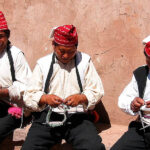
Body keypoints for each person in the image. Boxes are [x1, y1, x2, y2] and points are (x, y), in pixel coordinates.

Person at [22, 25, 105, 150]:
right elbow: (29, 95)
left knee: (94, 147)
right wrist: (45, 99)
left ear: (76, 47)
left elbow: (97, 90)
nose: (66, 56)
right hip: (48, 117)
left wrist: (81, 97)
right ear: (53, 45)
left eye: (71, 52)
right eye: (62, 51)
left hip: (77, 118)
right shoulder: (43, 64)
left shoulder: (85, 61)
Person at [111, 36, 150, 150]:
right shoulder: (141, 73)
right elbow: (123, 99)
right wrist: (132, 104)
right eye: (149, 61)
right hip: (144, 128)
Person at [0, 11, 32, 143]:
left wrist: (4, 92)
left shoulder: (15, 55)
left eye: (0, 36)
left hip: (14, 108)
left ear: (7, 36)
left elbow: (27, 86)